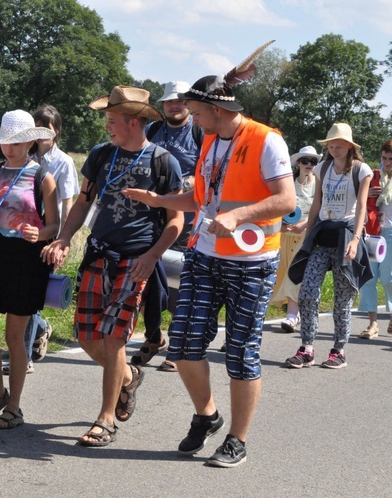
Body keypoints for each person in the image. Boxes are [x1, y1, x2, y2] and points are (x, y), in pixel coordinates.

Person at [125, 57, 296, 466]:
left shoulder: (265, 140)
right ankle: (207, 416)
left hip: (252, 262)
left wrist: (238, 216)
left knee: (240, 353)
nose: (194, 121)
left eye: (198, 113)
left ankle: (237, 439)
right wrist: (160, 200)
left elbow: (286, 200)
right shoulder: (209, 139)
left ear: (218, 111)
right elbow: (203, 199)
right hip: (203, 255)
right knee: (184, 346)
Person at [43, 85, 183, 447]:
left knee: (114, 336)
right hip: (98, 253)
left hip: (136, 260)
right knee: (88, 338)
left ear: (134, 122)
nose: (107, 126)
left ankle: (105, 419)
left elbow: (175, 221)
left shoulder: (163, 161)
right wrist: (64, 237)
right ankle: (129, 376)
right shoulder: (100, 155)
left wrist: (152, 257)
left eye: (112, 120)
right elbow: (83, 202)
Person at [0, 109, 59, 429]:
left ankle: (15, 407)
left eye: (16, 142)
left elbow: (55, 226)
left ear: (30, 142)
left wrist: (40, 234)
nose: (9, 148)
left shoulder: (43, 177)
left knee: (14, 338)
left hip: (27, 259)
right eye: (5, 141)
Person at [286, 123, 373, 370]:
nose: (334, 150)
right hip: (322, 234)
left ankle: (339, 350)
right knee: (307, 292)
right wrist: (306, 228)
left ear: (349, 146)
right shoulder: (322, 168)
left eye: (339, 146)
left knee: (342, 298)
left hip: (346, 237)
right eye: (331, 146)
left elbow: (362, 207)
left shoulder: (361, 170)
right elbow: (317, 203)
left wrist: (356, 239)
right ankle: (307, 348)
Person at [3, 104, 79, 375]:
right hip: (20, 234)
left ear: (56, 131)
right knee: (19, 293)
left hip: (47, 234)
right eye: (38, 127)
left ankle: (23, 357)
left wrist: (62, 241)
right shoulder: (23, 157)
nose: (44, 133)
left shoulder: (64, 163)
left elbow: (67, 204)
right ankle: (40, 329)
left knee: (31, 293)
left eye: (48, 127)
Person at [134, 80, 204, 372]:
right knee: (150, 279)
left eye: (180, 101)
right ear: (162, 106)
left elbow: (210, 172)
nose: (174, 106)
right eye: (169, 102)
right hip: (154, 219)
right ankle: (154, 335)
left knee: (182, 282)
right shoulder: (153, 131)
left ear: (189, 105)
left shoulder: (200, 133)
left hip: (188, 221)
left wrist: (183, 184)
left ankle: (177, 345)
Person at [271, 146, 320, 333]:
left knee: (295, 273)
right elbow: (278, 205)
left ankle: (291, 316)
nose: (309, 165)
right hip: (284, 235)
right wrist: (280, 225)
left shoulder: (318, 184)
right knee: (280, 274)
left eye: (313, 161)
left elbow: (321, 209)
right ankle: (295, 312)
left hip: (306, 237)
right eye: (305, 161)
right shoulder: (289, 183)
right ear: (298, 163)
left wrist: (305, 224)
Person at [357, 140, 392, 339]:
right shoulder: (373, 176)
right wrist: (367, 193)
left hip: (391, 233)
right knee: (369, 277)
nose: (387, 163)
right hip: (372, 232)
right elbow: (356, 197)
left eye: (391, 159)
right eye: (384, 158)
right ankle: (373, 324)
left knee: (389, 278)